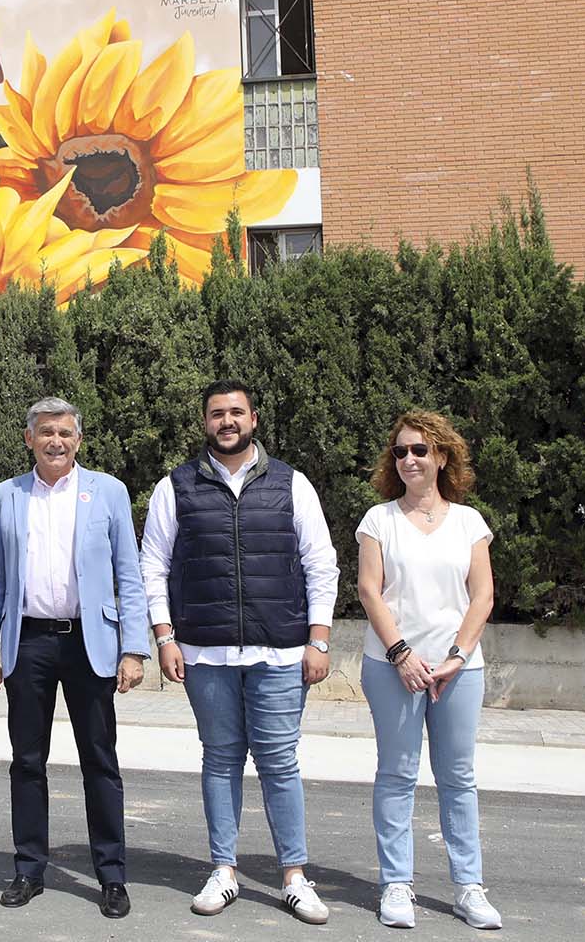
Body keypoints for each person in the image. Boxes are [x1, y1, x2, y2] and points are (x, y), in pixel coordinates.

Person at [139, 379, 339, 926]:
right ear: (205, 422)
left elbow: (321, 564)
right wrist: (164, 636)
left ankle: (295, 878)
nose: (226, 421)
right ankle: (223, 870)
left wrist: (318, 640)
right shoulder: (174, 487)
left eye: (236, 412)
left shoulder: (292, 484)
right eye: (216, 414)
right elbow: (152, 566)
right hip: (205, 653)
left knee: (279, 763)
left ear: (254, 419)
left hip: (281, 652)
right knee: (221, 760)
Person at [0, 397, 151, 919]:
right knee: (27, 761)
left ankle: (112, 876)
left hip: (89, 643)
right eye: (46, 432)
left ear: (79, 439)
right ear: (29, 438)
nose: (56, 441)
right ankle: (29, 869)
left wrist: (133, 648)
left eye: (66, 432)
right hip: (26, 644)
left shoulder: (108, 492)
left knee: (100, 761)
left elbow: (129, 575)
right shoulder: (7, 495)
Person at [354, 410, 503, 930]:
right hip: (392, 667)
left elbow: (482, 595)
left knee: (458, 778)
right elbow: (370, 590)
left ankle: (468, 886)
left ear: (442, 456)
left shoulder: (469, 522)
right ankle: (396, 884)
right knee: (396, 775)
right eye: (400, 452)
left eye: (419, 450)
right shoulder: (379, 520)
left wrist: (456, 657)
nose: (409, 460)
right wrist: (401, 654)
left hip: (458, 670)